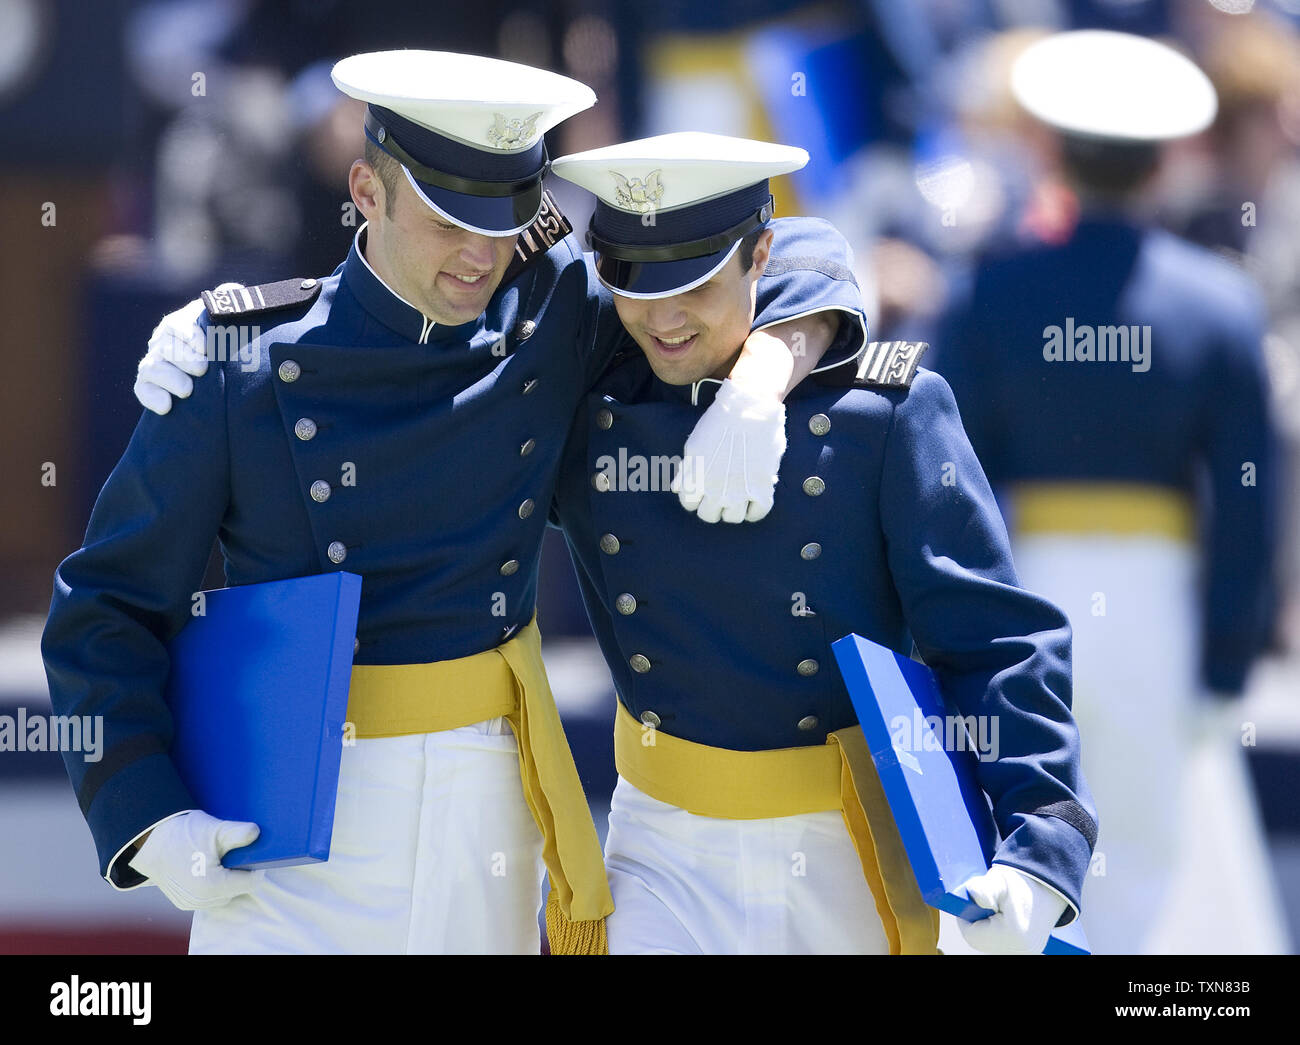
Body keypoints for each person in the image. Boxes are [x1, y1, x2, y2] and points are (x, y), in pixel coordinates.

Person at [41, 51, 838, 956]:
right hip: (284, 830)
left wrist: (761, 380)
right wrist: (147, 813)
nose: (479, 255)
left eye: (503, 222)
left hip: (486, 820)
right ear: (366, 193)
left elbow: (796, 249)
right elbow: (103, 608)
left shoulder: (552, 310)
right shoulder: (240, 365)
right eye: (450, 219)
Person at [540, 133, 1098, 954]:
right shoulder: (590, 395)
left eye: (691, 278)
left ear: (758, 253)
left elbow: (991, 636)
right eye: (630, 277)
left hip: (844, 856)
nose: (660, 315)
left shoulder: (885, 416)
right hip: (656, 849)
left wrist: (1042, 841)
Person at [934, 30, 1283, 954]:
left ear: (1046, 148)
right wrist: (1226, 658)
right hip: (1160, 606)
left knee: (1033, 838)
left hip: (1022, 592)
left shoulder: (990, 290)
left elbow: (943, 472)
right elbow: (1251, 504)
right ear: (1169, 159)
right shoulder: (1219, 301)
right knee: (1156, 861)